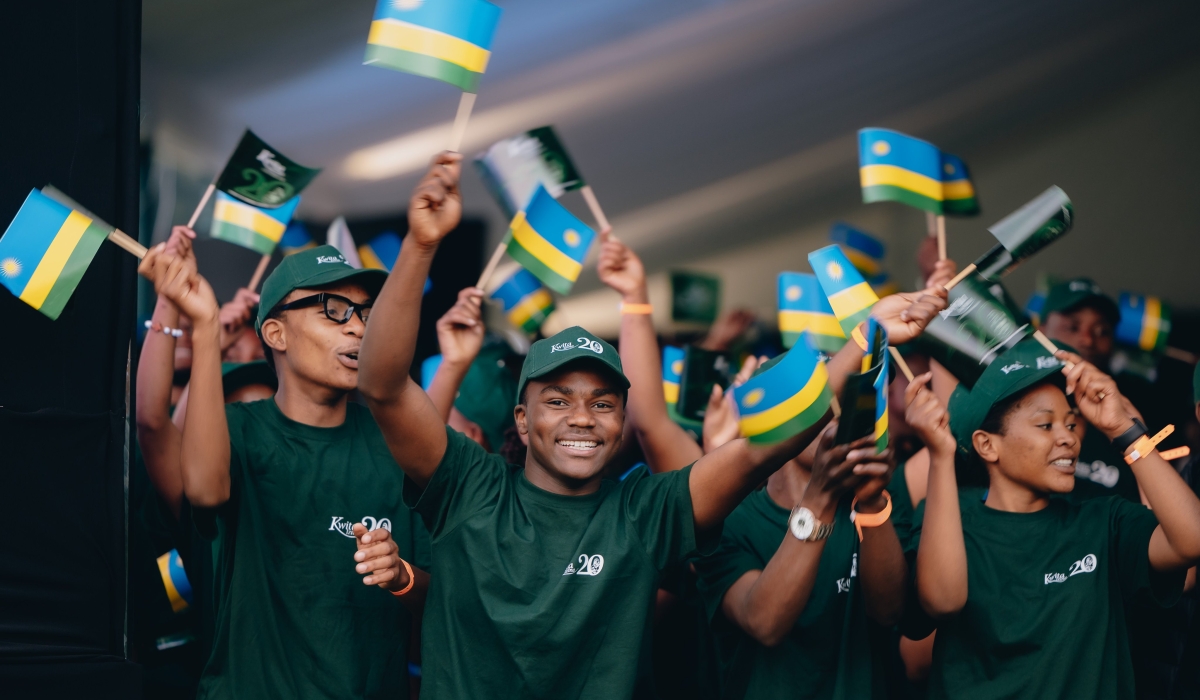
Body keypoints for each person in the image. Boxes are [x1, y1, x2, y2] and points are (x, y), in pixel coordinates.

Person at [355, 151, 950, 699]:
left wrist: (864, 337)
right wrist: (421, 245)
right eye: (558, 401)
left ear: (622, 420)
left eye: (603, 403)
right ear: (522, 419)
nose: (582, 417)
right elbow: (383, 386)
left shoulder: (645, 512)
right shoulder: (469, 485)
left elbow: (760, 449)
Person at [137, 219, 433, 699]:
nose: (358, 326)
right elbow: (190, 471)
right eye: (334, 309)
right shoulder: (238, 431)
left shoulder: (396, 444)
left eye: (365, 311)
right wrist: (205, 325)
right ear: (276, 333)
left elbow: (446, 600)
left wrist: (401, 577)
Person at [905, 336, 1200, 699]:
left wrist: (1126, 431)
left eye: (1071, 424)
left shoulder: (1103, 521)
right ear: (987, 444)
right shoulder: (952, 523)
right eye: (1046, 425)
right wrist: (939, 455)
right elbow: (942, 602)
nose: (1068, 439)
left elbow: (1192, 540)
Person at [1037, 277, 1145, 503]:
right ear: (1042, 330)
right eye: (1072, 327)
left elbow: (1154, 513)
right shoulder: (1009, 403)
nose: (1087, 340)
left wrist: (1133, 435)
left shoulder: (1126, 412)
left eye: (1101, 331)